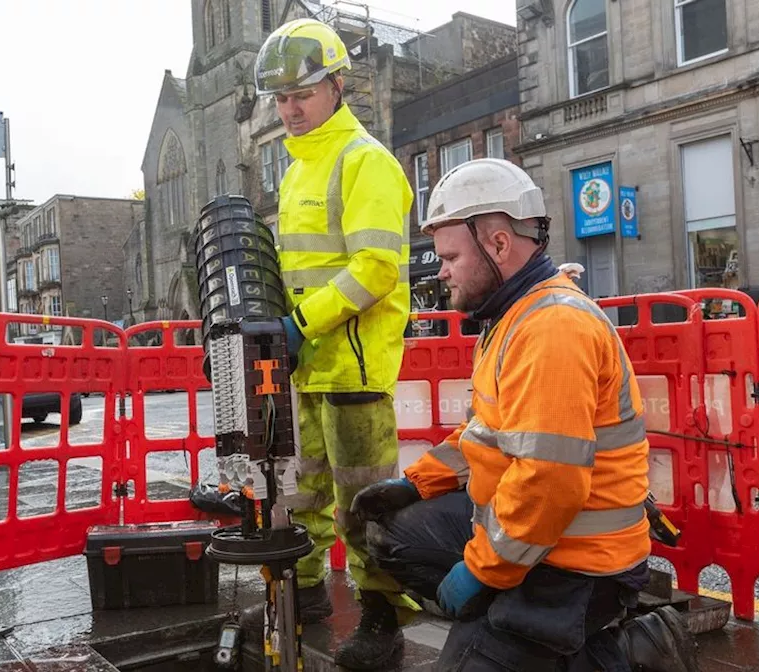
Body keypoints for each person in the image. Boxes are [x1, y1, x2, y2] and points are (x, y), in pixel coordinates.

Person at [349, 158, 701, 672]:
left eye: (449, 256)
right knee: (393, 533)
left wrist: (482, 571)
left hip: (581, 562)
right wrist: (418, 483)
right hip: (542, 537)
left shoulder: (551, 327)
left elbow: (550, 483)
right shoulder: (513, 315)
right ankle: (521, 625)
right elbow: (487, 434)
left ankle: (628, 650)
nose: (440, 271)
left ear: (497, 245)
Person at [245, 17, 416, 670]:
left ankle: (382, 620)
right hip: (308, 366)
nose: (289, 110)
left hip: (353, 369)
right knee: (303, 493)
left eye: (302, 95)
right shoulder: (296, 174)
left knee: (366, 503)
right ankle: (310, 594)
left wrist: (299, 325)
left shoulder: (363, 161)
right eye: (281, 99)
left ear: (337, 85)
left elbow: (375, 267)